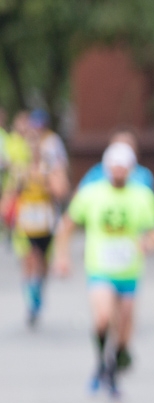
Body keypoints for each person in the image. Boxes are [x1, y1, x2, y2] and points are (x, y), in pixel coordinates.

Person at [54, 142, 154, 397]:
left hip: (129, 271)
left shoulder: (142, 196)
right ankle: (101, 362)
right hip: (100, 267)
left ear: (130, 169)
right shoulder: (92, 193)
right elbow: (67, 225)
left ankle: (115, 364)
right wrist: (62, 257)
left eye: (123, 167)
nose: (118, 172)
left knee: (124, 324)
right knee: (103, 318)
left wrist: (148, 243)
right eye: (114, 167)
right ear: (106, 167)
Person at [4, 112, 67, 326]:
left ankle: (39, 289)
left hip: (46, 222)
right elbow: (9, 198)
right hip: (26, 223)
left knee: (43, 262)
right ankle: (31, 299)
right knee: (29, 258)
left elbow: (62, 191)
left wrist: (47, 182)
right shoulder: (20, 172)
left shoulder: (51, 169)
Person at [77, 129, 154, 193]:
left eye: (127, 147)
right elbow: (78, 199)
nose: (122, 153)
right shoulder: (95, 173)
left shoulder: (144, 175)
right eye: (117, 147)